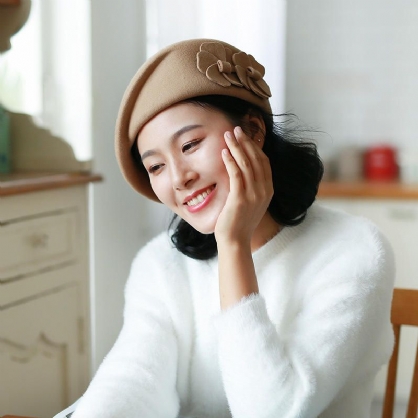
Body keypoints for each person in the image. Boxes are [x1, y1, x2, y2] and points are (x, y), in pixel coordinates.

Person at [70, 38, 395, 418]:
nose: (178, 178)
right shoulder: (160, 263)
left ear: (254, 132)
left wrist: (233, 245)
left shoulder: (353, 249)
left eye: (190, 144)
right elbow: (131, 379)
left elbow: (273, 411)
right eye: (156, 166)